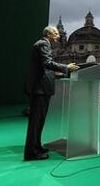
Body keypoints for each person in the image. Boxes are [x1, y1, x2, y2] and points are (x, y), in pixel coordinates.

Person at [24, 26, 79, 161]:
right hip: (40, 89)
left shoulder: (44, 44)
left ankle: (37, 146)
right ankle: (31, 152)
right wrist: (66, 67)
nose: (58, 35)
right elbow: (47, 63)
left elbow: (44, 68)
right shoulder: (43, 44)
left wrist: (58, 75)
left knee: (39, 121)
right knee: (36, 122)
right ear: (48, 34)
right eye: (55, 33)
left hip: (41, 88)